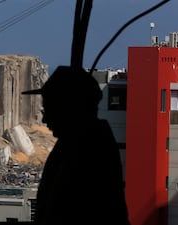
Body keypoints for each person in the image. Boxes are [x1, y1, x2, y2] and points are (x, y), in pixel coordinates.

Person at [22, 65, 131, 224]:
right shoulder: (77, 143)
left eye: (49, 110)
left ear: (68, 109)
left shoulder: (87, 150)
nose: (45, 120)